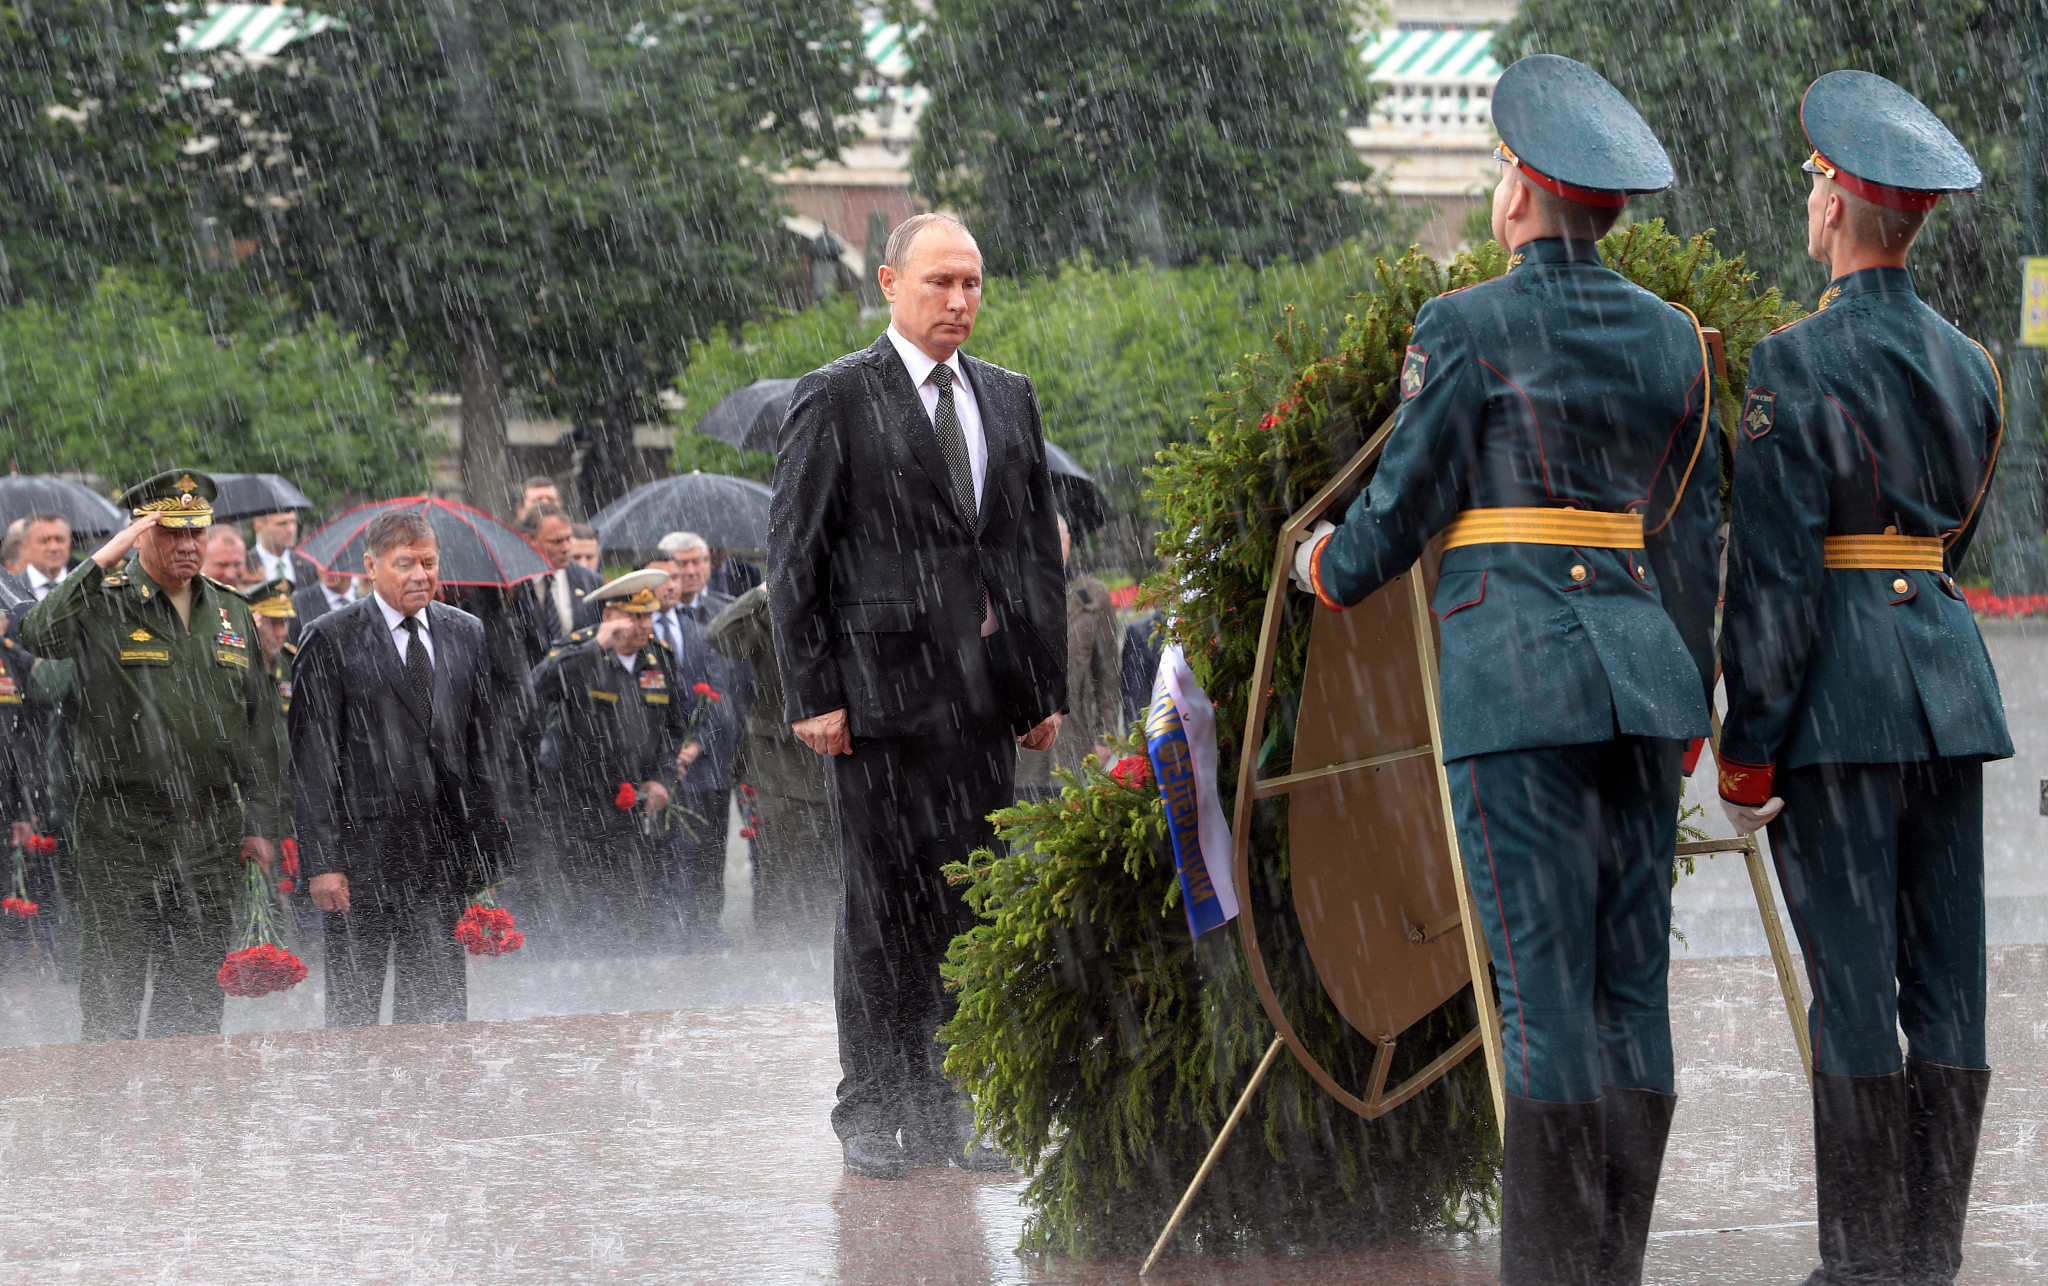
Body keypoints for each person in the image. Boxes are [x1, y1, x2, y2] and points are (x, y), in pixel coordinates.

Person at [1293, 56, 1719, 1286]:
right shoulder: (1670, 340)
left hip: (1517, 673)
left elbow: (1397, 508)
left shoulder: (1465, 324)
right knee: (1630, 989)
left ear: (1524, 191)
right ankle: (1609, 1266)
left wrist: (1327, 562)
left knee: (1536, 989)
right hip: (1639, 682)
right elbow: (1683, 526)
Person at [1716, 71, 2008, 1286]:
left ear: (1834, 206)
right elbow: (1954, 541)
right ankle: (1925, 1258)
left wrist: (1746, 748)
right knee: (1945, 985)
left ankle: (1856, 1265)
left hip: (1837, 706)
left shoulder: (1786, 364)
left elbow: (1776, 583)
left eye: (1811, 187)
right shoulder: (1973, 365)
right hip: (1947, 691)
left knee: (1851, 990)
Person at [770, 210, 1066, 1180]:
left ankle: (958, 1101)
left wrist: (1038, 686)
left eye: (972, 283)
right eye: (939, 281)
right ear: (890, 284)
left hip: (979, 704)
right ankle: (872, 1101)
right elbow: (795, 556)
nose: (958, 300)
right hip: (873, 705)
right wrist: (812, 689)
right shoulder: (835, 398)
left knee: (969, 907)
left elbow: (1026, 553)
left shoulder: (1010, 399)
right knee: (879, 908)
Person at [17, 470, 286, 1041]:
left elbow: (261, 727)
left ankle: (183, 1124)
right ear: (139, 534)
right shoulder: (104, 603)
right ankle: (110, 1125)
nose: (187, 546)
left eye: (197, 533)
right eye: (170, 533)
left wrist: (262, 823)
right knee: (113, 997)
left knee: (192, 1006)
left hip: (209, 829)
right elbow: (39, 634)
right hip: (122, 830)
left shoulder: (231, 611)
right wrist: (102, 559)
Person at [290, 509, 511, 1027]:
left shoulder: (465, 632)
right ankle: (358, 1104)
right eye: (405, 563)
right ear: (371, 566)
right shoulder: (331, 637)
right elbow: (312, 758)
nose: (420, 575)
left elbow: (480, 743)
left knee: (437, 1008)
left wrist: (486, 841)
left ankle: (432, 1106)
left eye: (429, 563)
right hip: (361, 855)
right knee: (356, 1010)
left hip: (440, 854)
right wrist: (322, 860)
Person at [527, 571, 685, 941]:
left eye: (648, 615)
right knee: (577, 897)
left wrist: (662, 778)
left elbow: (674, 726)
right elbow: (538, 685)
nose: (645, 625)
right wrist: (593, 647)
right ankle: (580, 970)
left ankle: (625, 967)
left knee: (630, 895)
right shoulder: (579, 648)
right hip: (574, 798)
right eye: (635, 617)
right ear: (611, 615)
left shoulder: (657, 658)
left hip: (629, 799)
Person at [705, 584, 834, 946]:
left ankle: (830, 962)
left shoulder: (850, 595)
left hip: (841, 762)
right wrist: (764, 589)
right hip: (782, 768)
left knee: (839, 880)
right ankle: (782, 967)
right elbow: (718, 636)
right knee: (786, 881)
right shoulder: (776, 606)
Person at [1016, 515, 1121, 798]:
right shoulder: (1013, 594)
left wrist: (1104, 738)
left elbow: (1108, 675)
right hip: (1022, 758)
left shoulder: (1093, 596)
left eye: (1056, 538)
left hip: (1075, 750)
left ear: (1068, 541)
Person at [515, 503, 601, 663]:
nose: (566, 548)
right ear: (529, 540)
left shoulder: (589, 581)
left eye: (568, 539)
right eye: (556, 541)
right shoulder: (513, 586)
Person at [244, 578, 297, 715]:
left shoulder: (291, 662)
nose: (280, 633)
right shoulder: (239, 662)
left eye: (284, 622)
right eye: (272, 622)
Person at [247, 510, 320, 587]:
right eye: (282, 524)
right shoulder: (243, 565)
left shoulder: (307, 565)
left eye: (293, 522)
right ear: (258, 526)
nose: (290, 530)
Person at [17, 512, 73, 602]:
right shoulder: (11, 591)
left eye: (60, 539)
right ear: (25, 546)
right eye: (45, 540)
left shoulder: (86, 586)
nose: (53, 547)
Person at [292, 567, 357, 626]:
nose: (328, 572)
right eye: (324, 566)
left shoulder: (364, 597)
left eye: (335, 566)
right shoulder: (301, 602)